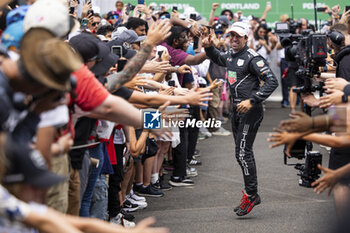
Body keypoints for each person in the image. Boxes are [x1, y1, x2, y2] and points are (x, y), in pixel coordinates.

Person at [203, 22, 278, 216]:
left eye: (238, 36)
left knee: (244, 154)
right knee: (240, 154)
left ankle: (252, 195)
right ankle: (251, 194)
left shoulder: (253, 58)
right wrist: (208, 46)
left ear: (246, 38)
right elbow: (218, 58)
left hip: (250, 111)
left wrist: (252, 100)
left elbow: (272, 81)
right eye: (231, 35)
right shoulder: (229, 54)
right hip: (237, 110)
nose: (234, 39)